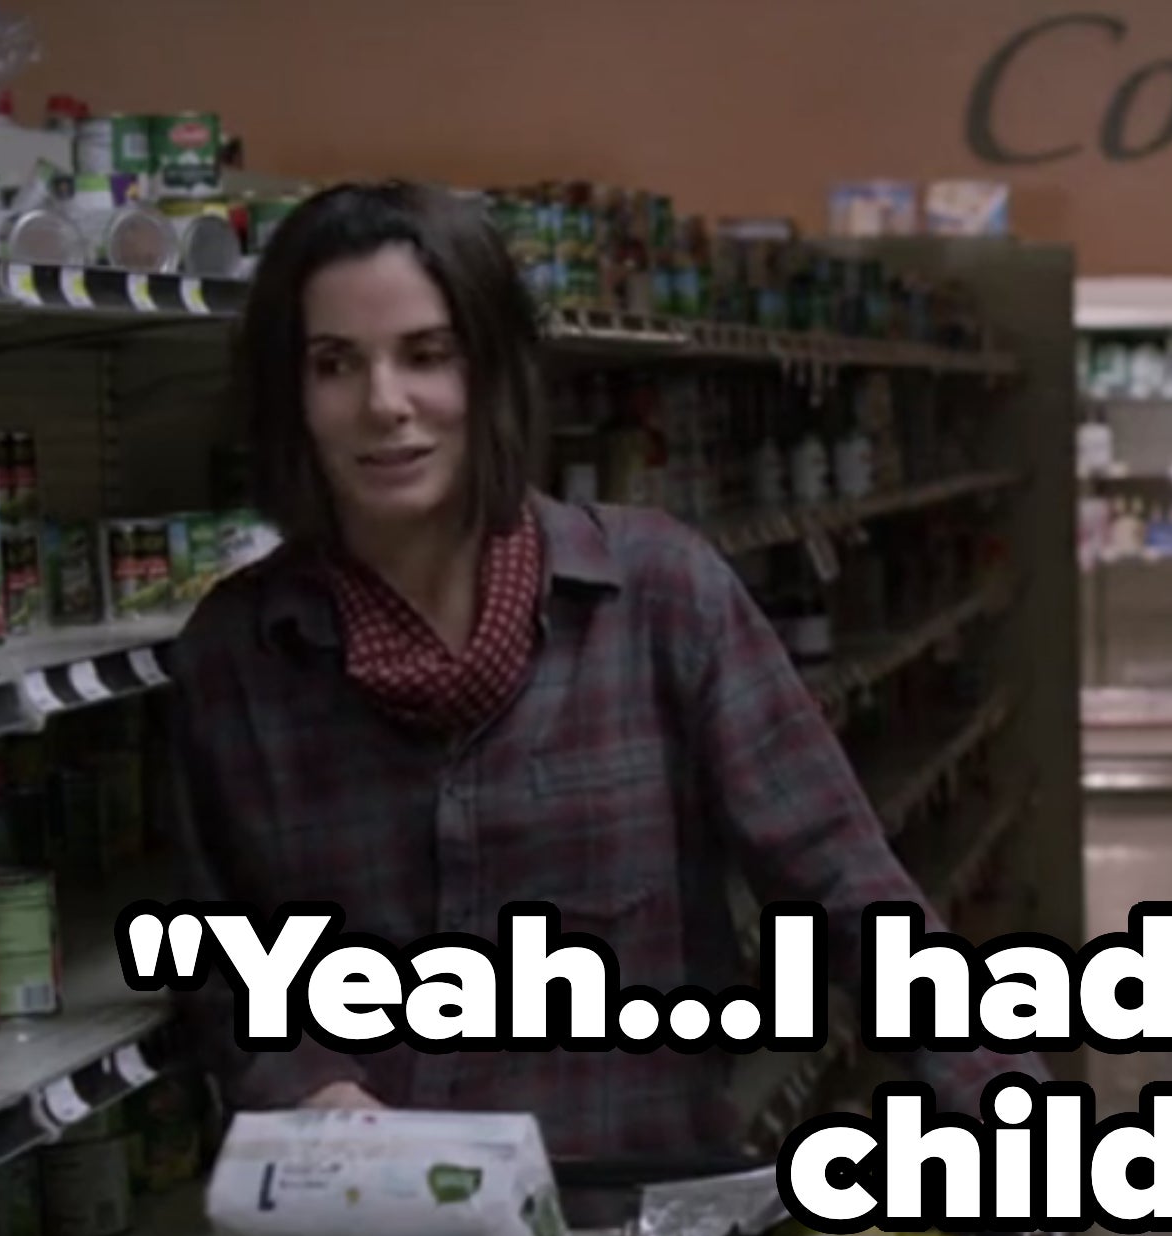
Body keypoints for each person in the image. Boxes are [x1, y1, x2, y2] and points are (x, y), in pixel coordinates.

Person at [165, 180, 1021, 1170]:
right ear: (292, 397)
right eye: (334, 364)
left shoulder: (658, 593)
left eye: (428, 354)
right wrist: (313, 1086)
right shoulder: (241, 655)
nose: (385, 403)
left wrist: (1005, 1113)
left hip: (636, 1226)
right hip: (374, 1229)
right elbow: (222, 959)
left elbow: (842, 881)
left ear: (494, 370)